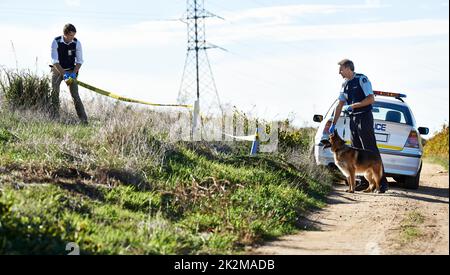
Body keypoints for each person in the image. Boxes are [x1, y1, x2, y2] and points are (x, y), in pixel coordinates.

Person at [329, 59, 388, 193]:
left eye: (341, 69)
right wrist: (333, 123)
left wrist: (354, 106)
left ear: (348, 68)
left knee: (370, 149)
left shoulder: (362, 79)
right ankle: (363, 183)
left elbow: (371, 98)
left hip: (364, 117)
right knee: (357, 149)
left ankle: (382, 183)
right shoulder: (344, 84)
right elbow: (339, 105)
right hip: (353, 119)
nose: (339, 73)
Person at [50, 23, 88, 124]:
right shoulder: (56, 41)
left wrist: (73, 74)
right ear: (65, 34)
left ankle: (84, 120)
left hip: (72, 70)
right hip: (57, 70)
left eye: (74, 35)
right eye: (71, 35)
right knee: (54, 92)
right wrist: (64, 74)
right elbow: (54, 61)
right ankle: (54, 118)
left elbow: (79, 61)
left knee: (75, 95)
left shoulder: (76, 43)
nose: (73, 37)